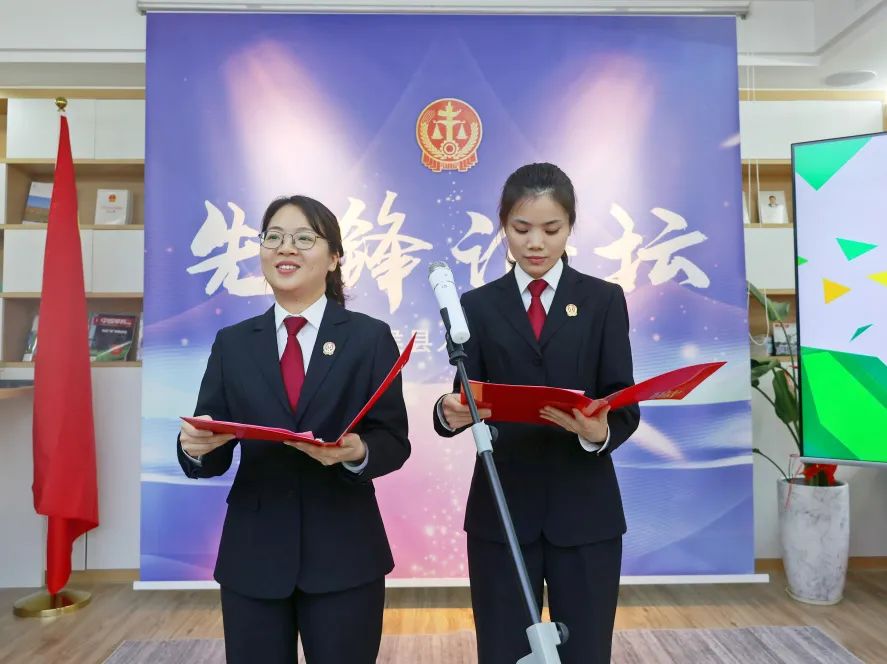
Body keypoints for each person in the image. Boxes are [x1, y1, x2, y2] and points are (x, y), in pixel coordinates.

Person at [177, 195, 410, 664]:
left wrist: (356, 451)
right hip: (254, 554)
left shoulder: (368, 338)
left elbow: (394, 441)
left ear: (335, 257)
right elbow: (214, 442)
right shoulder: (233, 344)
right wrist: (196, 448)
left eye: (304, 238)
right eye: (275, 238)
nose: (287, 249)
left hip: (345, 552)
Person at [433, 163, 640, 664]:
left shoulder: (603, 300)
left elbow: (625, 402)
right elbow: (462, 396)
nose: (536, 243)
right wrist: (449, 413)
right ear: (503, 225)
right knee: (503, 650)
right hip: (502, 511)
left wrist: (599, 431)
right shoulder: (476, 306)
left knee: (587, 651)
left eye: (552, 229)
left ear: (571, 226)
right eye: (521, 229)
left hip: (585, 512)